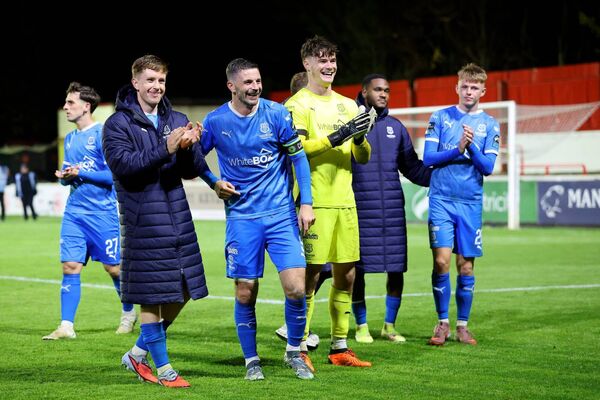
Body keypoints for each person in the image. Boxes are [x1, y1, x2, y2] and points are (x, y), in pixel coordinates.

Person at [199, 58, 315, 381]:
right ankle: (252, 360)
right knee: (245, 291)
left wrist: (306, 203)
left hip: (280, 216)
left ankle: (294, 351)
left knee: (295, 287)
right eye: (248, 83)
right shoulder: (215, 121)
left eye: (258, 81)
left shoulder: (277, 114)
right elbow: (194, 158)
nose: (255, 87)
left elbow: (299, 158)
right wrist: (213, 181)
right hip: (242, 218)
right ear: (232, 86)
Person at [103, 54, 209, 388]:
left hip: (177, 216)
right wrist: (167, 147)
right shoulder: (117, 124)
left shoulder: (175, 117)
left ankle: (137, 353)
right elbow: (126, 167)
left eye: (161, 81)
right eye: (150, 80)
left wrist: (192, 147)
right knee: (151, 295)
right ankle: (164, 370)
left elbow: (189, 170)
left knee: (185, 288)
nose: (156, 87)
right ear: (135, 82)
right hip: (142, 218)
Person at [284, 35, 373, 367]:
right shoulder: (297, 104)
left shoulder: (348, 105)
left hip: (345, 203)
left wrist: (360, 136)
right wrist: (338, 135)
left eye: (332, 59)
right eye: (322, 59)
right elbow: (298, 150)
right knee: (309, 277)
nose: (329, 65)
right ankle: (299, 348)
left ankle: (339, 347)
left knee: (346, 276)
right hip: (314, 203)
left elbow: (362, 156)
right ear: (307, 64)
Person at [43, 82, 136, 341]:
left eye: (70, 102)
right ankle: (66, 326)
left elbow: (112, 176)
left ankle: (128, 313)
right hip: (75, 213)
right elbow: (69, 174)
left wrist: (80, 172)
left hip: (102, 214)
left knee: (114, 268)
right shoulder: (71, 139)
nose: (65, 107)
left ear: (86, 106)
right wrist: (65, 177)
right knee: (70, 266)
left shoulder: (104, 134)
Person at [351, 74, 431, 344]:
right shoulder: (351, 125)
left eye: (387, 90)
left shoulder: (396, 128)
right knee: (357, 270)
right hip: (360, 210)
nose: (383, 94)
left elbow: (412, 167)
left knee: (396, 268)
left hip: (393, 212)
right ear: (364, 92)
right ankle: (361, 325)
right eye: (377, 90)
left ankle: (389, 325)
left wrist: (442, 174)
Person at [423, 63, 499, 346]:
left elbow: (488, 167)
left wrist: (471, 147)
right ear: (457, 87)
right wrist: (457, 149)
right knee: (441, 261)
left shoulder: (490, 124)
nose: (469, 91)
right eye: (464, 86)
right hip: (441, 200)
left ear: (483, 90)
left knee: (465, 267)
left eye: (474, 87)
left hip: (470, 203)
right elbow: (429, 158)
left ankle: (462, 326)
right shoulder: (440, 117)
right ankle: (442, 322)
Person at [275, 70, 320, 351]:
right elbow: (299, 153)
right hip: (298, 202)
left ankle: (299, 329)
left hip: (314, 199)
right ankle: (297, 331)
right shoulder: (290, 113)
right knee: (310, 269)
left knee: (318, 270)